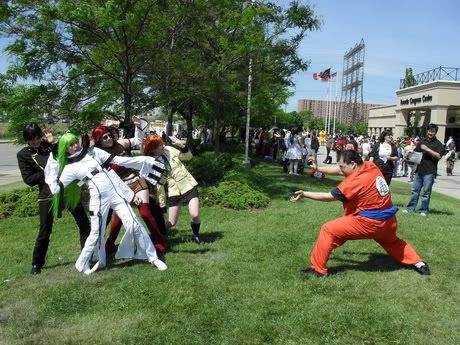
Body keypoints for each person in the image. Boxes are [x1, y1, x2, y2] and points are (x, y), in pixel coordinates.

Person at [290, 150, 430, 277]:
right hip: (389, 222)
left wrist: (304, 193)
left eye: (342, 166)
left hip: (370, 224)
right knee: (392, 242)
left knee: (328, 230)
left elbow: (329, 196)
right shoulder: (370, 165)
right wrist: (318, 168)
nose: (340, 169)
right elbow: (341, 172)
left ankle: (318, 270)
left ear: (352, 164)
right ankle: (419, 263)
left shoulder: (355, 181)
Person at [44, 133, 168, 274]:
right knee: (96, 233)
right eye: (70, 145)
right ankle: (82, 262)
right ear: (65, 149)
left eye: (75, 142)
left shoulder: (94, 152)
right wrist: (52, 163)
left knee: (134, 223)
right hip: (98, 199)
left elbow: (118, 162)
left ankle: (153, 258)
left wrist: (144, 161)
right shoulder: (69, 169)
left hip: (116, 194)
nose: (75, 146)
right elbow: (55, 189)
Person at [17, 124, 91, 275]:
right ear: (27, 140)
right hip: (47, 194)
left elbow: (68, 155)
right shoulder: (23, 154)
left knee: (84, 223)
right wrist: (48, 173)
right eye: (31, 140)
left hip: (67, 189)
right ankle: (37, 263)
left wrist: (53, 143)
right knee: (45, 230)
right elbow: (29, 179)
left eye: (38, 138)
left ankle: (88, 255)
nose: (36, 142)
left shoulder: (49, 146)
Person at [91, 124, 167, 254]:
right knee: (119, 218)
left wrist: (139, 125)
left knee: (145, 213)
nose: (109, 138)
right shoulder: (98, 155)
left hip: (137, 181)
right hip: (120, 186)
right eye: (104, 137)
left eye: (109, 135)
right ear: (99, 140)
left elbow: (138, 139)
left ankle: (160, 241)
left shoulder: (120, 143)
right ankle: (109, 244)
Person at [143, 134, 202, 244]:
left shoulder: (169, 149)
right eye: (160, 145)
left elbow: (188, 157)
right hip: (173, 190)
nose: (163, 145)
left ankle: (196, 234)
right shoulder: (151, 163)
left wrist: (181, 145)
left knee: (195, 215)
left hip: (188, 185)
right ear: (153, 149)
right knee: (171, 222)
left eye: (162, 143)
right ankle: (154, 236)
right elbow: (157, 183)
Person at [403, 124, 444, 216]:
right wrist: (408, 155)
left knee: (426, 192)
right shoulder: (422, 141)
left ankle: (423, 210)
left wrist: (427, 149)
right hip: (419, 170)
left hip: (430, 172)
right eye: (429, 131)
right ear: (426, 131)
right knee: (415, 191)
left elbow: (438, 156)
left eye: (432, 131)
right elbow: (415, 154)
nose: (430, 133)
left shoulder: (438, 144)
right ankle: (410, 208)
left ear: (435, 132)